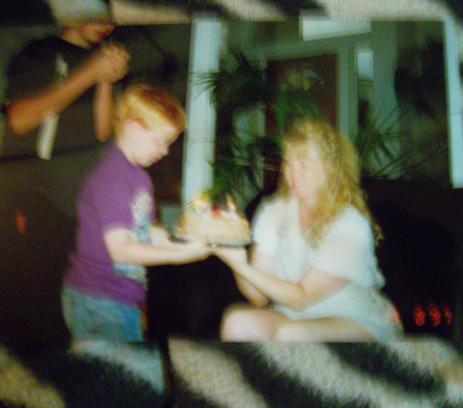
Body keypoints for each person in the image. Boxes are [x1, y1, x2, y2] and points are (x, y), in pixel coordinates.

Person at [215, 118, 403, 342]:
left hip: (354, 318)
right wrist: (232, 249)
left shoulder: (350, 225)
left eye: (303, 164)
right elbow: (258, 297)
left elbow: (301, 297)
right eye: (289, 163)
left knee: (292, 334)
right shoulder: (273, 211)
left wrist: (241, 266)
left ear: (330, 167)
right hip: (290, 315)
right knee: (236, 322)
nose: (292, 173)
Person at [62, 83, 213, 341]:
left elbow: (147, 233)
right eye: (160, 141)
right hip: (97, 297)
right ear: (133, 128)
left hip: (118, 296)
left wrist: (189, 243)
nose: (164, 151)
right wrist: (180, 256)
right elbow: (120, 250)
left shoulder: (140, 178)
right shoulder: (112, 177)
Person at [2, 20, 129, 157]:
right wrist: (90, 74)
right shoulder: (41, 50)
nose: (107, 26)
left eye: (112, 20)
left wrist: (106, 78)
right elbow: (19, 120)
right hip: (32, 166)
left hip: (79, 166)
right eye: (101, 16)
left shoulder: (99, 57)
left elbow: (103, 134)